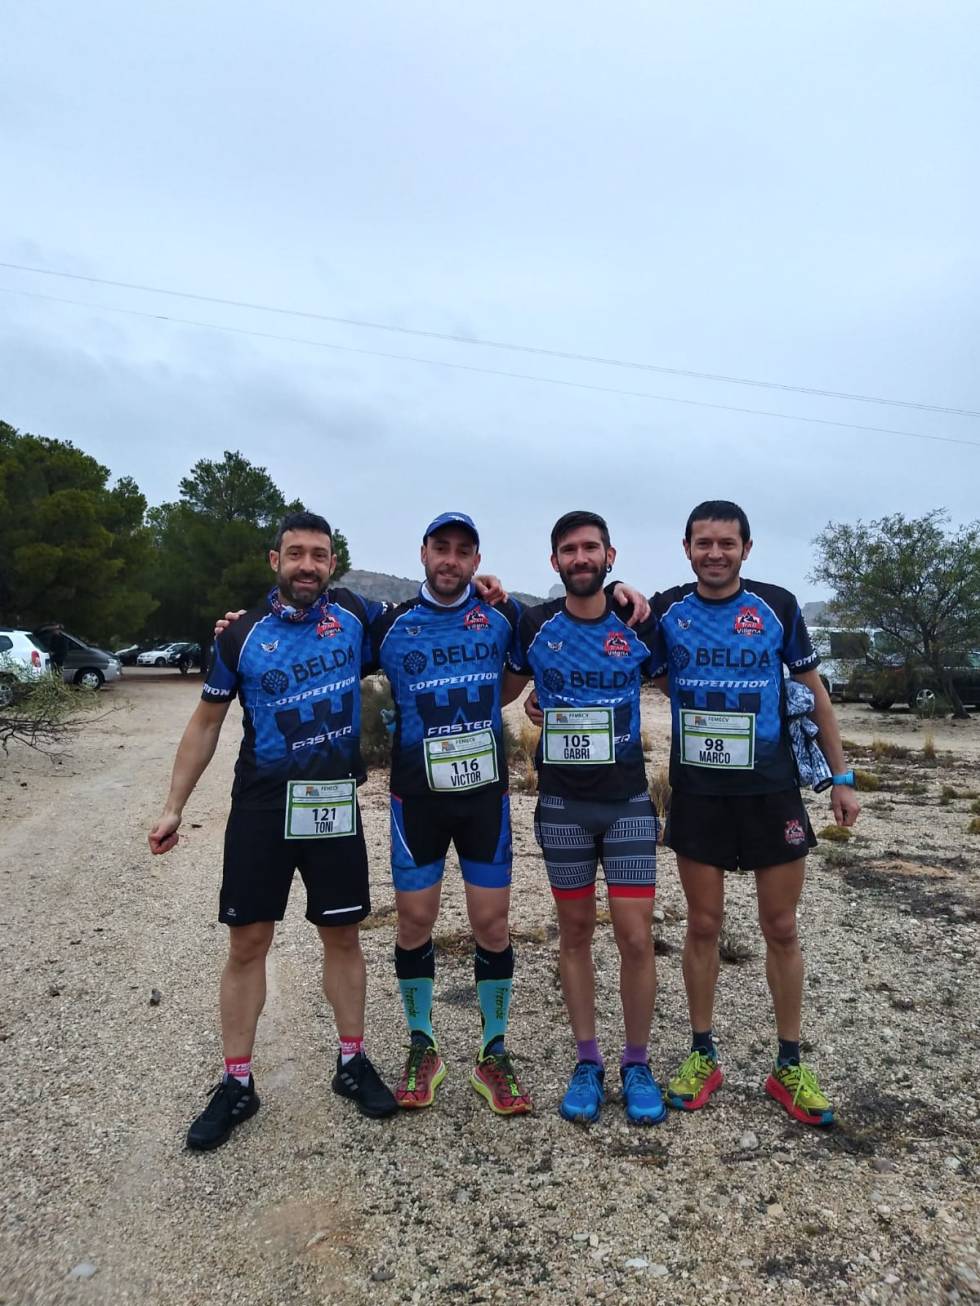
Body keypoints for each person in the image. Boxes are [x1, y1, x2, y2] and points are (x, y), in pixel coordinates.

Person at [148, 511, 398, 1151]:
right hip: (262, 806)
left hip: (331, 802)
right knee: (248, 942)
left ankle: (351, 1062)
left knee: (342, 935)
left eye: (319, 555)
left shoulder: (355, 615)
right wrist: (174, 806)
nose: (307, 565)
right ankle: (237, 1083)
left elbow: (427, 617)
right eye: (296, 553)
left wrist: (490, 593)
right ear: (275, 560)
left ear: (332, 563)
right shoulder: (241, 636)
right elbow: (206, 722)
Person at [651, 500, 860, 1125]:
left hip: (772, 790)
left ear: (747, 547)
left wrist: (842, 778)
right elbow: (609, 646)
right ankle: (702, 1053)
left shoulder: (777, 606)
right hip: (699, 792)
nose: (715, 553)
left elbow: (815, 694)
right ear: (686, 548)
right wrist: (543, 700)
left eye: (727, 543)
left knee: (782, 927)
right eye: (704, 543)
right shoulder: (666, 611)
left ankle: (788, 1064)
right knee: (703, 925)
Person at [503, 510, 666, 1127]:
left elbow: (682, 677)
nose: (580, 558)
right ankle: (587, 1060)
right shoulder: (535, 625)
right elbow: (503, 688)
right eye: (569, 550)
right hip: (563, 805)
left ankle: (637, 1063)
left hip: (627, 803)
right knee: (574, 934)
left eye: (590, 548)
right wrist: (532, 700)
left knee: (635, 937)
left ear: (609, 556)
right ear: (555, 562)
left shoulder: (636, 620)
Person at [373, 513, 533, 1116]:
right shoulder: (389, 625)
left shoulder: (502, 617)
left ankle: (494, 1051)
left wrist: (623, 591)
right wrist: (245, 617)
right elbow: (320, 630)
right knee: (414, 921)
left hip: (483, 800)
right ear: (423, 553)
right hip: (416, 799)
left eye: (463, 551)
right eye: (441, 548)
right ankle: (423, 1045)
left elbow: (542, 653)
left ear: (476, 561)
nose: (451, 559)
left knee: (492, 924)